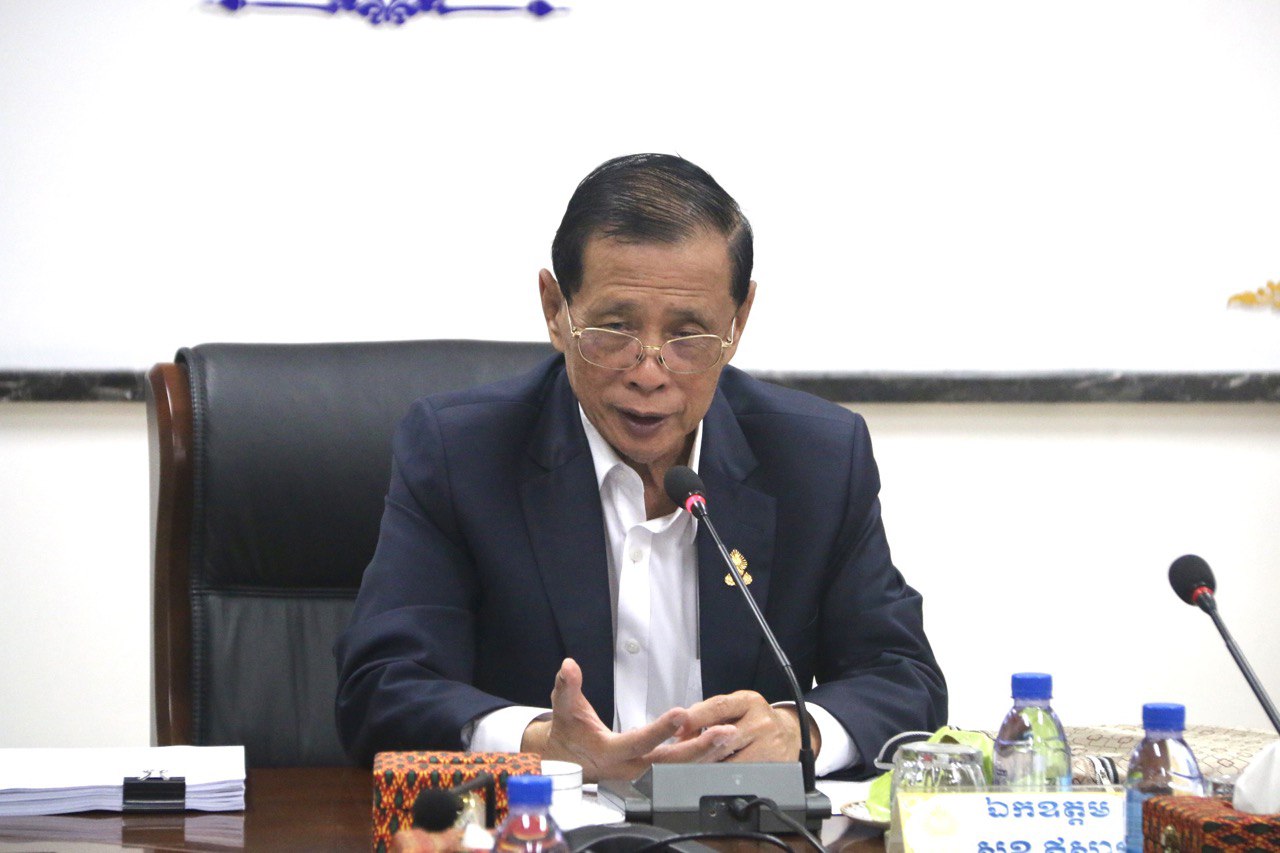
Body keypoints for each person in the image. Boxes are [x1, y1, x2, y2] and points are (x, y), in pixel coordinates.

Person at [334, 153, 946, 781]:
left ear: (738, 322)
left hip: (741, 825)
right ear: (555, 310)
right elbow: (381, 689)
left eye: (688, 335)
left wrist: (798, 733)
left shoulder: (817, 459)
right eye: (615, 328)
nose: (649, 372)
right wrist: (538, 744)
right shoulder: (461, 453)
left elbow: (903, 680)